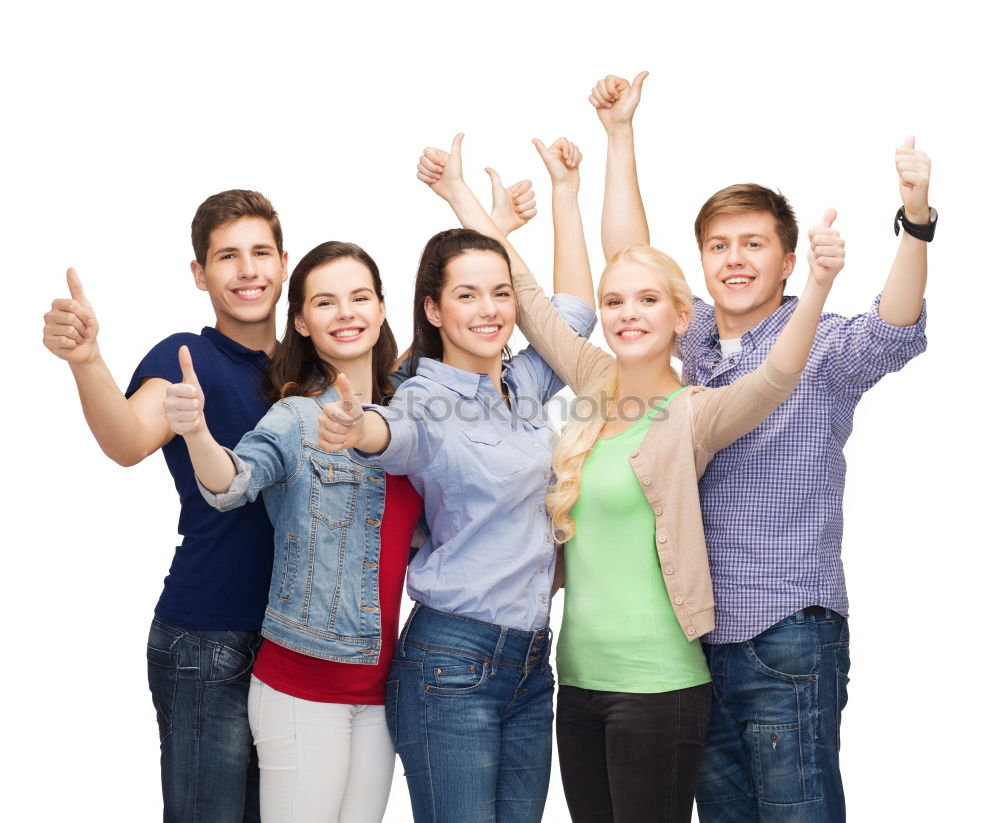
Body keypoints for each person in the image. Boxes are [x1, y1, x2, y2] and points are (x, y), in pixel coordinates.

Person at [420, 131, 845, 822]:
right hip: (577, 681)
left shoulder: (695, 415)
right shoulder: (591, 382)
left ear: (682, 317)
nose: (625, 314)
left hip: (661, 685)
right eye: (614, 301)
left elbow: (774, 379)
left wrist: (819, 288)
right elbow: (526, 295)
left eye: (647, 301)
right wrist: (458, 194)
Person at [590, 72, 931, 822]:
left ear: (786, 262)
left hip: (787, 634)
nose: (733, 259)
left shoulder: (825, 347)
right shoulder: (702, 336)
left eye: (753, 245)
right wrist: (620, 137)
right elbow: (631, 260)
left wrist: (914, 220)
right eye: (718, 246)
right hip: (700, 643)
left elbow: (895, 327)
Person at [317, 134, 595, 823]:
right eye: (467, 295)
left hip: (533, 664)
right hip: (452, 664)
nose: (491, 309)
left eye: (501, 294)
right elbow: (397, 436)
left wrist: (565, 196)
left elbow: (576, 313)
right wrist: (360, 429)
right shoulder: (421, 398)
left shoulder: (523, 382)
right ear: (434, 310)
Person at [41, 190, 289, 822]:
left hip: (297, 645)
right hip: (209, 639)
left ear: (284, 263)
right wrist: (88, 361)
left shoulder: (311, 368)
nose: (248, 270)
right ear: (199, 274)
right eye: (227, 257)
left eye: (261, 252)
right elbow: (127, 439)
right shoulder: (188, 357)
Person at [163, 241, 422, 822]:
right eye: (325, 303)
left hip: (380, 690)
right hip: (304, 686)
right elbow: (232, 482)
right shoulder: (295, 418)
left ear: (382, 309)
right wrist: (198, 433)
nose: (347, 313)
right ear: (302, 322)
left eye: (360, 297)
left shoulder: (408, 415)